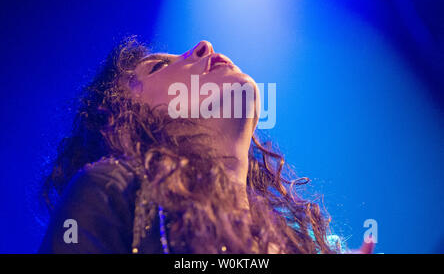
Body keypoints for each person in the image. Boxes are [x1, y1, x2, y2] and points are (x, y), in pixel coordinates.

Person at [39, 37, 353, 254]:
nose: (204, 46)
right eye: (158, 66)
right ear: (127, 117)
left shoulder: (290, 239)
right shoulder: (110, 188)